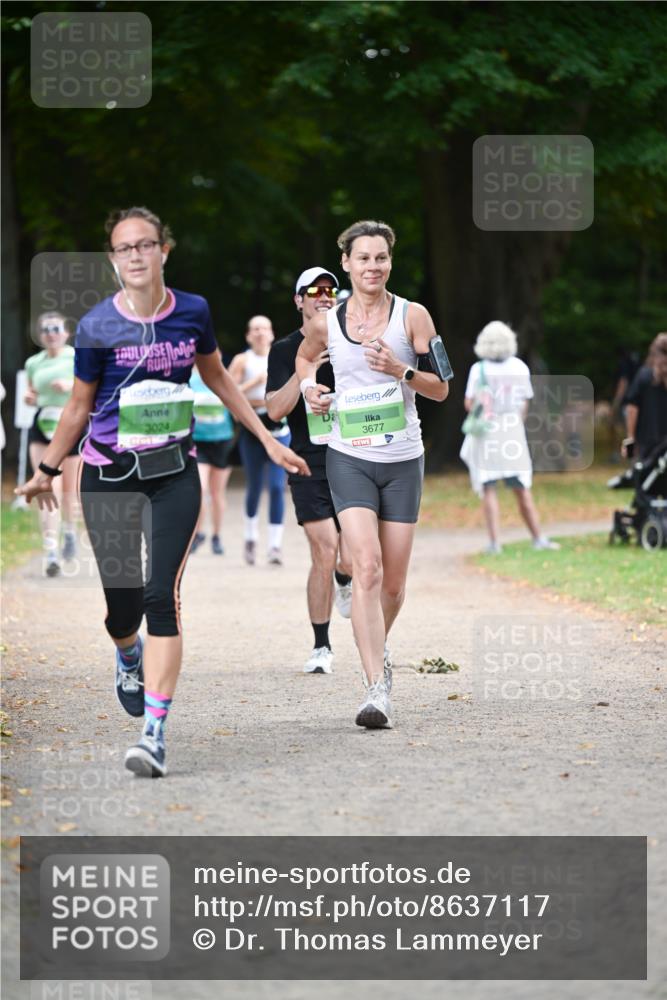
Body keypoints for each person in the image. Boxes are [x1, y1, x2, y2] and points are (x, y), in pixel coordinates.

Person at [16, 206, 308, 778]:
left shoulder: (193, 311)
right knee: (122, 606)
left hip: (175, 471)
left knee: (161, 597)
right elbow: (78, 406)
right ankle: (128, 655)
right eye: (124, 248)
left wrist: (269, 440)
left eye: (145, 245)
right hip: (109, 474)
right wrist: (47, 471)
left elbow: (219, 377)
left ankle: (154, 732)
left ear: (163, 251)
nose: (135, 256)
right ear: (113, 258)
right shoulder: (97, 325)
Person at [296, 220, 449, 728]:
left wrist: (400, 371)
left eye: (381, 257)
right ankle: (375, 687)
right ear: (346, 263)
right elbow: (304, 359)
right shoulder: (327, 321)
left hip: (404, 459)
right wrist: (310, 388)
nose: (373, 266)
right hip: (349, 455)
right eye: (363, 258)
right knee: (367, 567)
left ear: (390, 262)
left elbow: (442, 387)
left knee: (393, 584)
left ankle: (376, 646)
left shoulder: (414, 316)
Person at [266, 266, 353, 675]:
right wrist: (306, 372)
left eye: (330, 289)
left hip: (354, 453)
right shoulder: (284, 350)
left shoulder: (352, 339)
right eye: (313, 290)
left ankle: (345, 578)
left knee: (349, 558)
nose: (324, 295)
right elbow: (274, 410)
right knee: (324, 548)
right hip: (307, 459)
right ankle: (321, 646)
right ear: (299, 300)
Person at [460, 320, 560, 554]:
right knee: (521, 487)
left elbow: (469, 403)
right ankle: (538, 537)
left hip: (487, 431)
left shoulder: (479, 369)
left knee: (488, 486)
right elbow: (525, 403)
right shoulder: (519, 367)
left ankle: (495, 543)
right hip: (512, 430)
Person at [229, 316, 291, 565]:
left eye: (264, 328)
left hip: (279, 430)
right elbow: (228, 393)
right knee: (254, 486)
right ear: (247, 336)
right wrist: (256, 383)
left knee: (277, 487)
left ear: (272, 333)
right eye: (255, 329)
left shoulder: (281, 356)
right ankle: (251, 537)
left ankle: (275, 546)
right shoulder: (242, 361)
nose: (260, 333)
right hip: (252, 430)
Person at [24, 311, 80, 576]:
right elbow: (32, 392)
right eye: (45, 330)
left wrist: (70, 385)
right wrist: (29, 397)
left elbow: (90, 387)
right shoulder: (34, 362)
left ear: (66, 333)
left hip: (71, 426)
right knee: (46, 487)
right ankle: (50, 550)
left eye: (56, 328)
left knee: (70, 491)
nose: (51, 334)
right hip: (43, 425)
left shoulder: (77, 357)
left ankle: (69, 531)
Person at [189, 358, 235, 555]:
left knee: (217, 493)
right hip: (198, 442)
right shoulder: (188, 379)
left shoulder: (221, 377)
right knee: (201, 488)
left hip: (222, 441)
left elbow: (236, 398)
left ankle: (216, 535)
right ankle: (199, 532)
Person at [622, 332, 667, 462]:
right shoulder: (645, 376)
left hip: (649, 445)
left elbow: (631, 408)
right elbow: (632, 408)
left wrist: (630, 438)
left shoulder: (644, 375)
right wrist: (630, 439)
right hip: (647, 445)